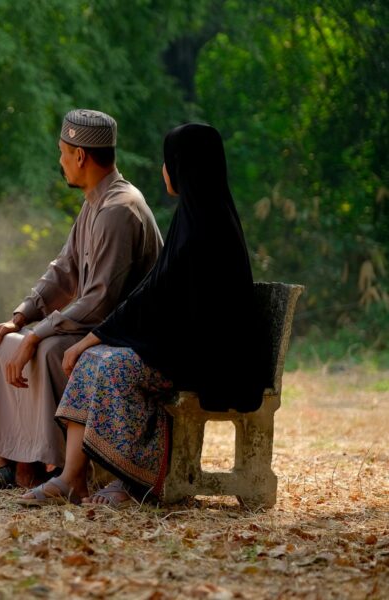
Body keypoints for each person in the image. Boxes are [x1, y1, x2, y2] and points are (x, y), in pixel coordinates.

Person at [19, 122, 270, 507]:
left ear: (182, 166)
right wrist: (94, 340)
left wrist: (97, 335)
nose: (163, 170)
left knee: (116, 367)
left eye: (167, 162)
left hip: (213, 357)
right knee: (93, 361)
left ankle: (132, 483)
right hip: (183, 346)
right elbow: (152, 295)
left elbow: (162, 302)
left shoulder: (208, 227)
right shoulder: (191, 217)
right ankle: (72, 478)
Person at [0, 109, 163, 489]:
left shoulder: (118, 209)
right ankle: (16, 462)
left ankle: (53, 466)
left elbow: (100, 300)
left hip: (122, 335)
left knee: (46, 350)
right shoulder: (95, 203)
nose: (60, 161)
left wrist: (38, 335)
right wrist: (21, 318)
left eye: (62, 152)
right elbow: (64, 270)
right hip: (94, 328)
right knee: (4, 343)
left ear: (80, 156)